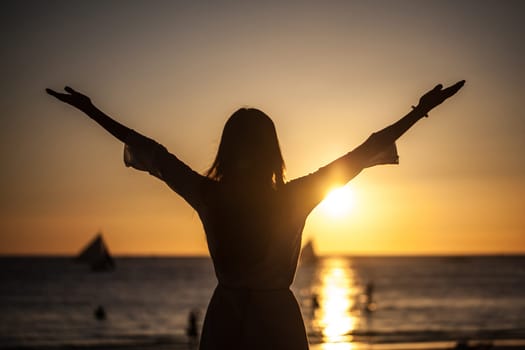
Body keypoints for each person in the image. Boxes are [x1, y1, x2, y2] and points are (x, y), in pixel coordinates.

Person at [46, 80, 464, 349]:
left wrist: (419, 111)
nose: (246, 155)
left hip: (267, 322)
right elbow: (151, 149)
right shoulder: (226, 194)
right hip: (232, 319)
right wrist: (90, 110)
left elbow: (362, 152)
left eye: (252, 145)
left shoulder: (261, 195)